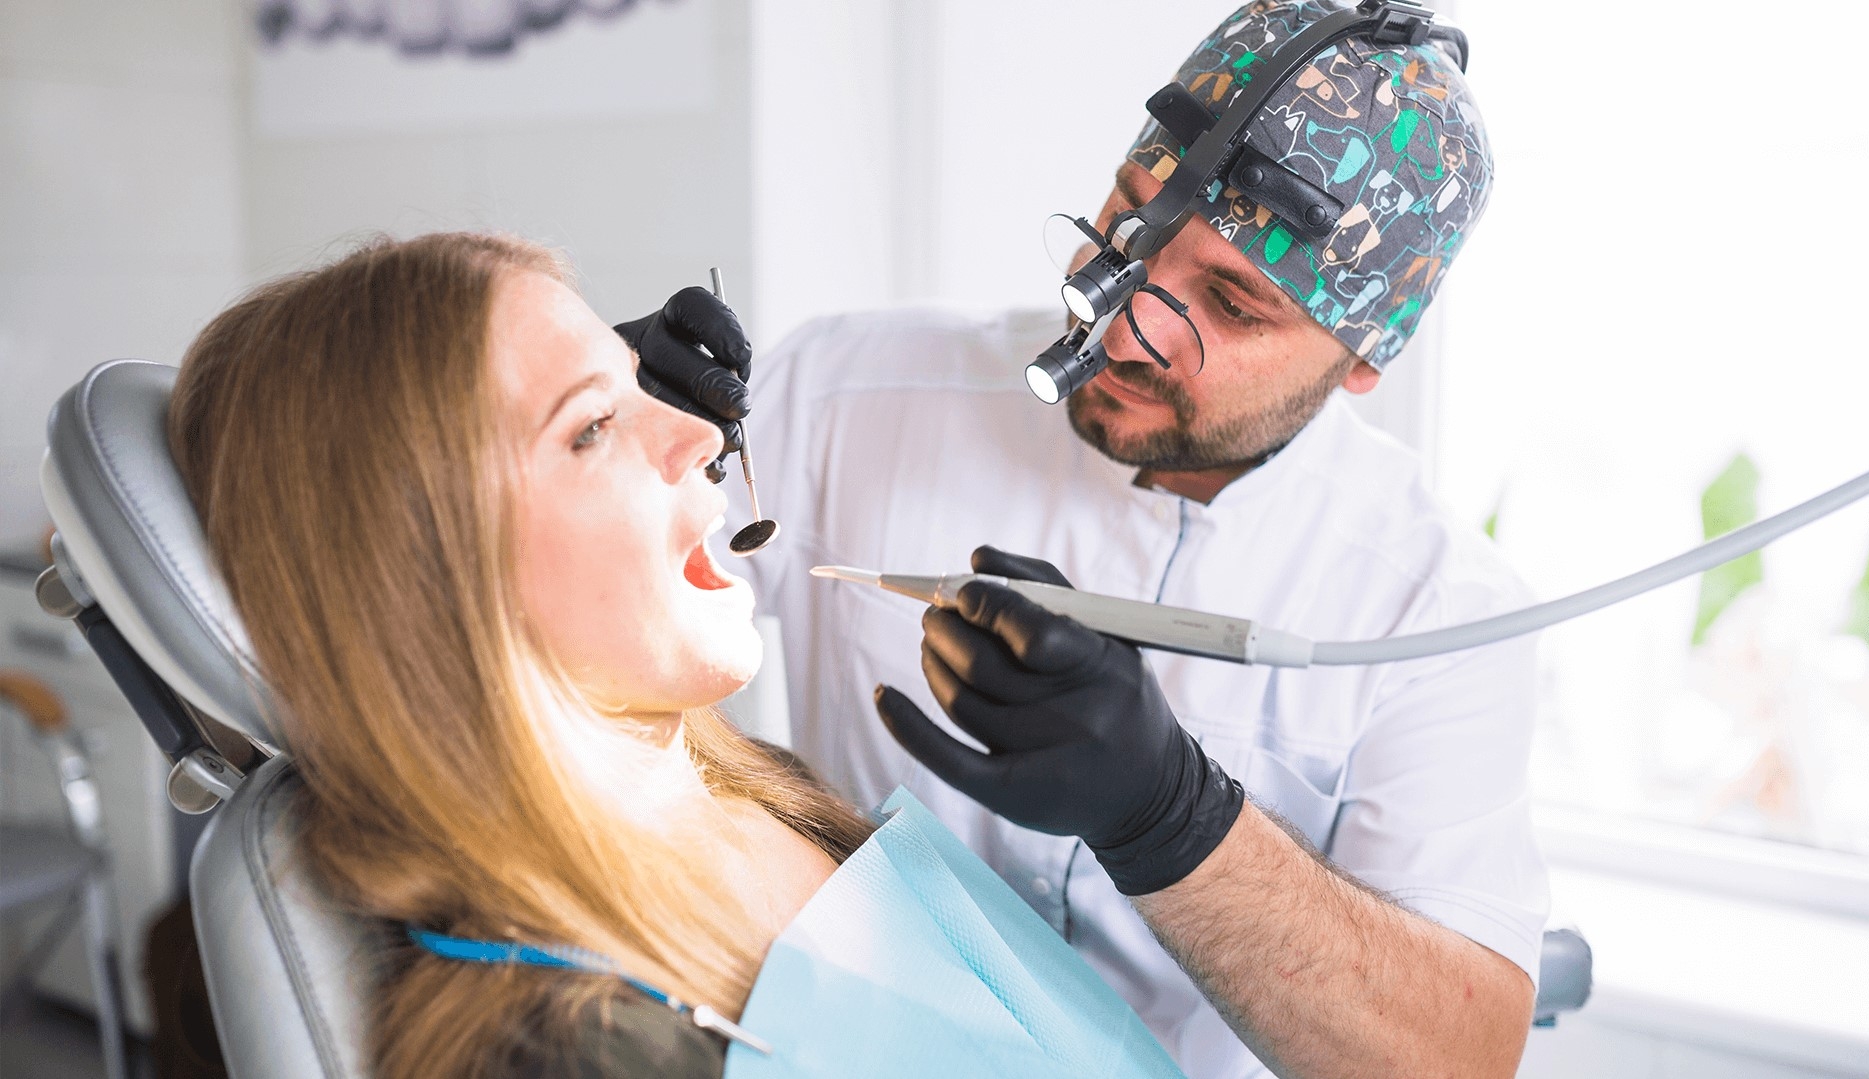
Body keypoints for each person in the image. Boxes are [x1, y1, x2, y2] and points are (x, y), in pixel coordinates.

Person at [632, 2, 1548, 1076]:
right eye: (1130, 229)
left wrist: (1173, 817)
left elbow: (1456, 1057)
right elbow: (552, 578)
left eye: (1233, 302)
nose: (1121, 324)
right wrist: (575, 409)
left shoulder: (1438, 612)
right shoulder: (846, 388)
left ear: (1362, 357)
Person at [166, 233, 877, 1078]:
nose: (700, 433)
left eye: (634, 381)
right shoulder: (571, 1052)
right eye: (592, 426)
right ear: (424, 579)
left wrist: (1088, 823)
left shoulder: (766, 790)